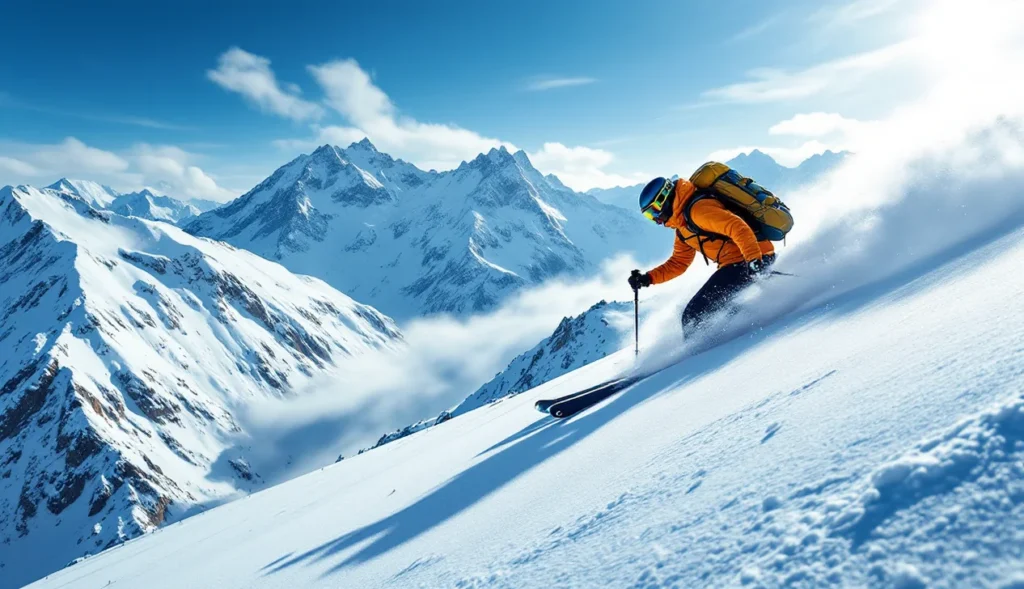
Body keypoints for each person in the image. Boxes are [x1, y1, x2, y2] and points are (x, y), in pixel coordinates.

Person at [628, 175, 776, 336]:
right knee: (707, 310)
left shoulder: (699, 211)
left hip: (750, 261)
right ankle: (746, 327)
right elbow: (679, 262)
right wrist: (648, 278)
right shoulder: (682, 226)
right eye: (649, 217)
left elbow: (737, 227)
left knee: (693, 316)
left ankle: (707, 354)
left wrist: (754, 260)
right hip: (738, 264)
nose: (656, 220)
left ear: (665, 199)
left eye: (654, 212)